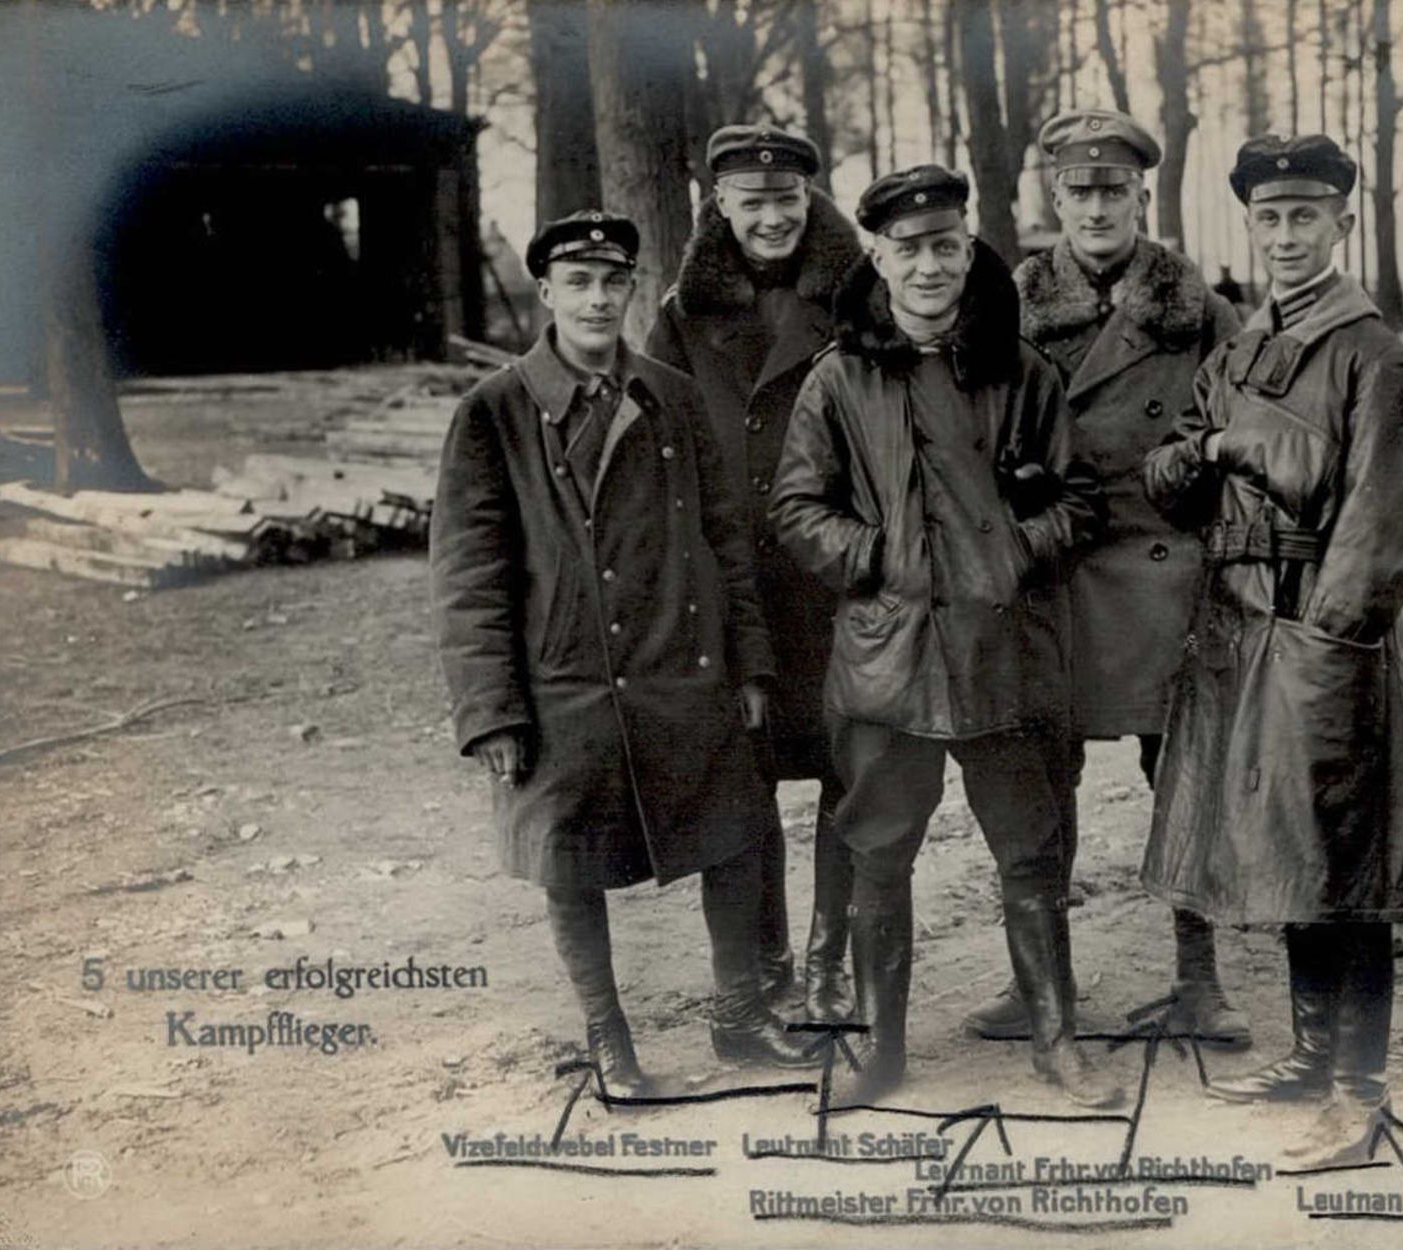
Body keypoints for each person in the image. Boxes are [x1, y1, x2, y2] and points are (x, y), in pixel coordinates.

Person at [430, 209, 821, 1099]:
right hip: (563, 681)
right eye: (580, 283)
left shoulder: (669, 395)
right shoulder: (493, 413)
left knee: (737, 834)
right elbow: (468, 578)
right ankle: (609, 1040)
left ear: (631, 289)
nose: (599, 299)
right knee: (570, 860)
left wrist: (752, 663)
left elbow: (725, 540)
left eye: (614, 283)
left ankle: (742, 1017)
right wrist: (489, 709)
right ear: (548, 293)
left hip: (682, 668)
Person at [769, 165, 1122, 1109]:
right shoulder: (836, 380)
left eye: (945, 246)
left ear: (970, 249)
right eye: (908, 250)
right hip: (888, 664)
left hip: (1006, 658)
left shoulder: (1025, 370)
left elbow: (1082, 500)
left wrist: (1011, 549)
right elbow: (797, 508)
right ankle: (880, 1052)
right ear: (877, 258)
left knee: (1032, 852)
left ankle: (1056, 1041)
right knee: (878, 857)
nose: (929, 267)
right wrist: (880, 555)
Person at [1140, 136, 1403, 1160]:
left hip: (1322, 636)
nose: (1284, 236)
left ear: (1339, 226)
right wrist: (1202, 455)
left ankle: (1359, 1094)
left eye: (1305, 217)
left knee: (1342, 864)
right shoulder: (1236, 351)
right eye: (1269, 218)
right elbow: (1179, 475)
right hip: (1236, 629)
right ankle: (1314, 1057)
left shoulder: (1376, 358)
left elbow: (1385, 523)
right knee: (1285, 854)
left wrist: (1332, 639)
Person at [962, 108, 1248, 1049]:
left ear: (1141, 197)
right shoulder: (1003, 299)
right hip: (1051, 571)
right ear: (1054, 196)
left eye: (1114, 190)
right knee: (1042, 782)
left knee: (1186, 779)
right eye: (1079, 190)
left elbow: (1242, 428)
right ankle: (1044, 984)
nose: (1096, 206)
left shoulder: (1199, 310)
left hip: (1167, 568)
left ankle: (1200, 983)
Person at [646, 125, 864, 1024]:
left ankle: (828, 965)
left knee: (852, 779)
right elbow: (660, 439)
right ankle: (759, 965)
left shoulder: (862, 296)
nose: (772, 218)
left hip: (837, 583)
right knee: (743, 784)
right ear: (720, 206)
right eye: (753, 202)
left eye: (787, 200)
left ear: (809, 200)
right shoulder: (681, 312)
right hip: (737, 589)